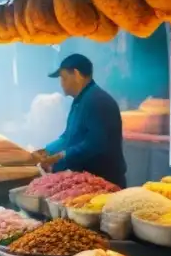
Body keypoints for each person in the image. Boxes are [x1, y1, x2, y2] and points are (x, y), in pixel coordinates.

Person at [41, 53, 127, 187]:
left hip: (104, 183)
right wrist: (45, 151)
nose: (61, 84)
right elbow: (67, 137)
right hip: (86, 181)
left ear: (76, 74)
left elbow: (95, 143)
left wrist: (60, 156)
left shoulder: (97, 101)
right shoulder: (79, 101)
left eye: (63, 78)